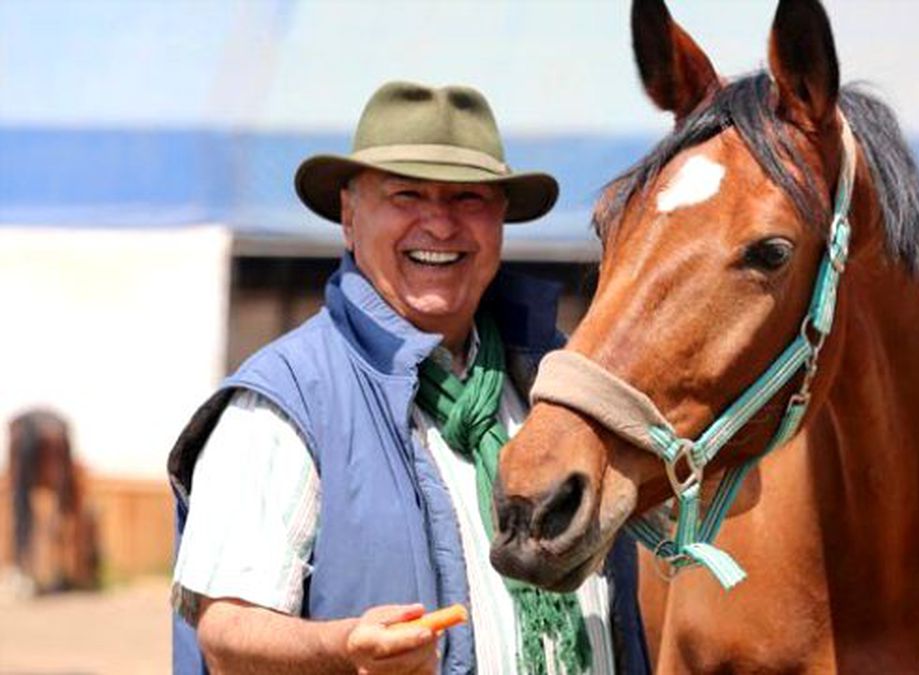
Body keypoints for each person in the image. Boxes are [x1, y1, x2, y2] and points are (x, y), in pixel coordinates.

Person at [167, 81, 649, 675]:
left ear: (500, 220)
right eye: (407, 194)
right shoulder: (285, 400)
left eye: (468, 198)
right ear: (349, 216)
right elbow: (225, 631)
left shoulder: (560, 382)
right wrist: (344, 648)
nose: (440, 225)